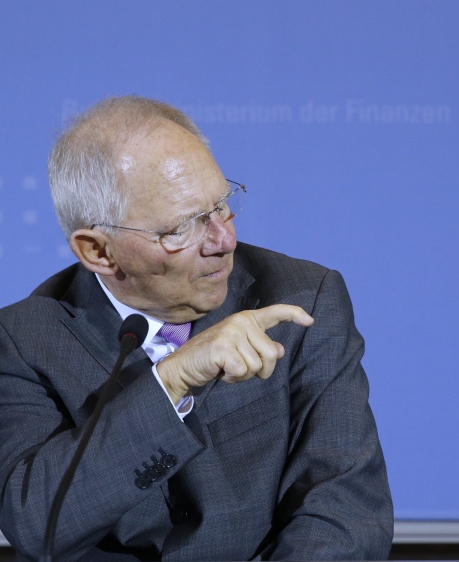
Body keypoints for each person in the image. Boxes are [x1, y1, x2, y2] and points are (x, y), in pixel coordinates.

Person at [0, 96, 393, 561]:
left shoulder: (301, 300)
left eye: (221, 205)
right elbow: (40, 524)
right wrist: (170, 382)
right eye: (182, 228)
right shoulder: (23, 341)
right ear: (98, 252)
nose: (224, 240)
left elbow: (344, 506)